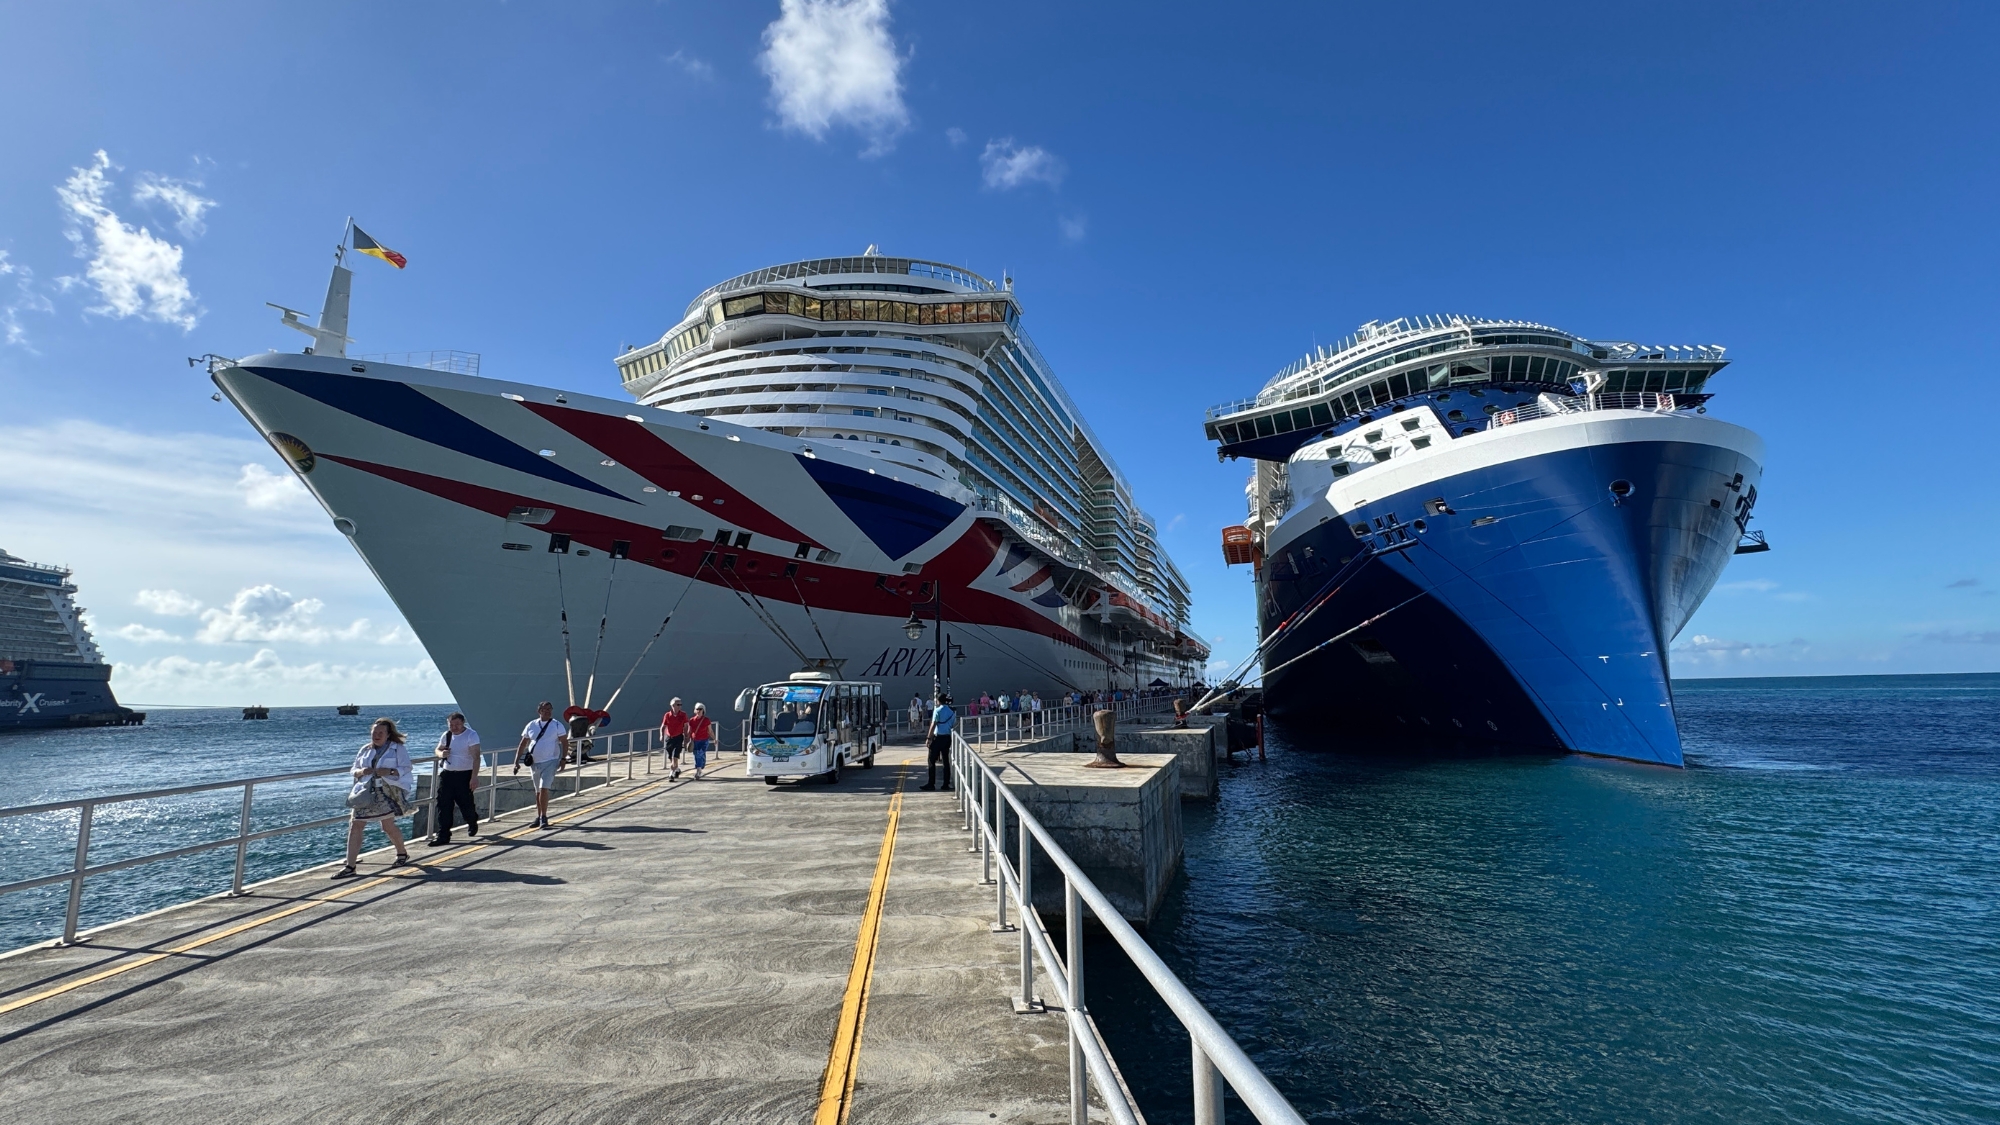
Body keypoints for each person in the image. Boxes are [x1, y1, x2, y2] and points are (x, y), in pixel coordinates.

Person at [338, 718, 413, 877]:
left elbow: (406, 767)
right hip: (365, 792)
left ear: (388, 735)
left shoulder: (397, 748)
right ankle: (350, 865)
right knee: (355, 824)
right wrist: (361, 772)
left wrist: (389, 772)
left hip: (385, 792)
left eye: (380, 733)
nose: (377, 736)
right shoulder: (365, 749)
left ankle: (402, 853)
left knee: (387, 826)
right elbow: (354, 769)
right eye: (374, 733)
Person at [428, 711, 481, 846]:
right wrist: (441, 754)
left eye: (457, 724)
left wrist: (474, 777)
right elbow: (437, 749)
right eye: (451, 724)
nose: (454, 727)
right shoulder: (447, 735)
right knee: (443, 804)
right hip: (447, 774)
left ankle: (472, 820)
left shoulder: (471, 735)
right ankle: (443, 835)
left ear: (463, 723)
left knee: (465, 804)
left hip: (464, 774)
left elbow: (476, 757)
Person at [514, 701, 567, 830]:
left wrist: (563, 759)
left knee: (544, 788)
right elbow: (523, 743)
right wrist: (516, 761)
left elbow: (565, 742)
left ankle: (544, 817)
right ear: (539, 711)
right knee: (537, 791)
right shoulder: (531, 725)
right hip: (534, 763)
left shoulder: (556, 725)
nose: (548, 711)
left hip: (550, 761)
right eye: (545, 709)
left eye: (550, 709)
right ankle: (539, 816)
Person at [920, 692, 956, 792]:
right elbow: (953, 725)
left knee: (931, 760)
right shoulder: (952, 712)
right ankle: (946, 784)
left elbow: (933, 725)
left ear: (938, 700)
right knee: (946, 761)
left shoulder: (937, 710)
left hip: (937, 738)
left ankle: (931, 783)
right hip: (947, 738)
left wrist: (929, 738)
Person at [661, 697, 689, 780]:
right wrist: (661, 735)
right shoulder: (667, 715)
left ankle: (671, 774)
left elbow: (686, 726)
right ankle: (677, 769)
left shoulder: (683, 715)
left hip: (678, 737)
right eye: (678, 704)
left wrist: (686, 736)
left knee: (674, 756)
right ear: (673, 705)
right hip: (669, 738)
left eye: (681, 704)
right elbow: (663, 726)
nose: (680, 706)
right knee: (670, 756)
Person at [688, 702, 713, 780]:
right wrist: (687, 740)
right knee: (697, 754)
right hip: (695, 740)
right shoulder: (691, 720)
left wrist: (714, 739)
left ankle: (699, 769)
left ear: (703, 710)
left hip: (704, 740)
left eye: (700, 709)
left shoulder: (706, 720)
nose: (698, 711)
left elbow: (710, 731)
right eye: (697, 709)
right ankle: (699, 768)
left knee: (699, 753)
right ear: (695, 710)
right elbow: (689, 731)